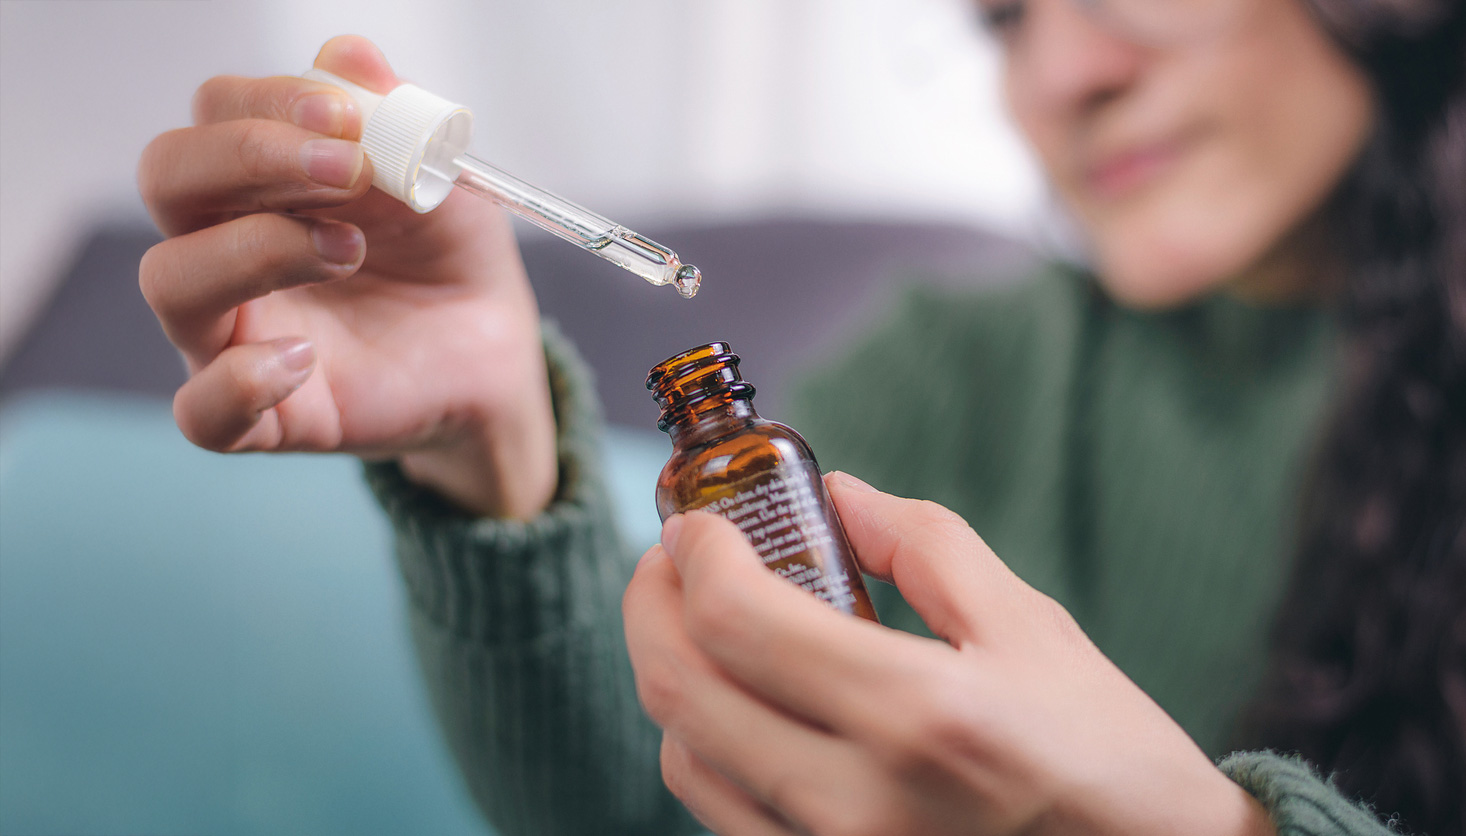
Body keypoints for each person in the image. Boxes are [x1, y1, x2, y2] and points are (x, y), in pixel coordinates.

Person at [135, 0, 1464, 830]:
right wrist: (485, 452)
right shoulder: (953, 371)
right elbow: (673, 804)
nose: (1059, 72)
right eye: (1003, 15)